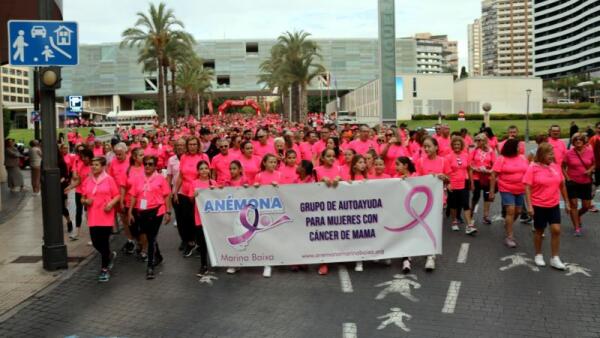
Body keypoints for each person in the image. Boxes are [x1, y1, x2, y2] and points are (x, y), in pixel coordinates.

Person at [523, 143, 570, 270]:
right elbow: (527, 187)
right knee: (539, 230)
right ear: (541, 155)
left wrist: (566, 202)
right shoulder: (533, 167)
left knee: (556, 230)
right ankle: (538, 255)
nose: (552, 156)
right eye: (549, 154)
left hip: (553, 204)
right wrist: (530, 206)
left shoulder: (556, 167)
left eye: (552, 153)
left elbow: (562, 185)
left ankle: (555, 257)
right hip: (538, 205)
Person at [128, 155, 171, 279]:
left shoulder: (160, 179)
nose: (147, 166)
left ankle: (150, 266)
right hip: (141, 211)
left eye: (150, 164)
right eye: (145, 163)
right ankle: (159, 256)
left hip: (156, 211)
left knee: (151, 238)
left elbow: (167, 195)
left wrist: (168, 212)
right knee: (147, 234)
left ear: (155, 166)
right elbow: (133, 195)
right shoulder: (138, 178)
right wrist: (130, 211)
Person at [80, 157, 120, 282]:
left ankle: (104, 269)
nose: (93, 167)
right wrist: (86, 201)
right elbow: (82, 197)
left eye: (96, 165)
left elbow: (117, 195)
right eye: (92, 165)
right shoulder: (87, 180)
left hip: (106, 215)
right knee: (95, 242)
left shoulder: (109, 179)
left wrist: (111, 204)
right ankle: (109, 255)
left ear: (103, 167)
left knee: (103, 242)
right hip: (92, 216)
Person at [414, 136, 450, 271]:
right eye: (424, 146)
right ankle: (427, 249)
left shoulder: (443, 161)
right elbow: (416, 179)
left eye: (429, 146)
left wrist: (444, 177)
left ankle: (431, 255)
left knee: (434, 226)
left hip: (439, 198)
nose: (426, 149)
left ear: (436, 147)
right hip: (424, 199)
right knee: (425, 226)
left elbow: (449, 179)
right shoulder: (420, 161)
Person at [173, 137, 210, 257]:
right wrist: (175, 192)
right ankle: (190, 242)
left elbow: (208, 174)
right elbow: (180, 176)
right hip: (184, 192)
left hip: (199, 193)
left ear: (198, 145)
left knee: (199, 220)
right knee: (186, 219)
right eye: (190, 144)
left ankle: (201, 243)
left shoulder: (204, 157)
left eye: (195, 144)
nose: (192, 146)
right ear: (187, 146)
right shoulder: (183, 157)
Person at [490, 139, 529, 248]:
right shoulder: (501, 159)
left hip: (520, 189)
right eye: (518, 147)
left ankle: (508, 223)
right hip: (506, 188)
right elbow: (493, 175)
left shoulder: (522, 158)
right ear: (512, 147)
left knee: (518, 211)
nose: (520, 149)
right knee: (510, 211)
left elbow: (528, 172)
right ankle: (510, 236)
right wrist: (492, 191)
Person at [253, 154, 282, 278]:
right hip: (263, 210)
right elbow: (253, 192)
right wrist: (254, 187)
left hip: (277, 210)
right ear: (264, 163)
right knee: (264, 235)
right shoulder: (258, 176)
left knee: (275, 236)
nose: (273, 164)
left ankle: (272, 260)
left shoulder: (279, 175)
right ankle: (267, 263)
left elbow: (287, 191)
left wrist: (278, 187)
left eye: (275, 162)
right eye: (270, 162)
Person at [563, 133, 595, 236]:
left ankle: (578, 216)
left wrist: (590, 170)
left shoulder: (590, 152)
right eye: (576, 140)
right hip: (572, 183)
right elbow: (562, 166)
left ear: (584, 141)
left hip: (586, 182)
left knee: (587, 206)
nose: (578, 141)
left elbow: (595, 164)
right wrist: (567, 178)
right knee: (574, 205)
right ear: (573, 142)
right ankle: (577, 228)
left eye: (580, 140)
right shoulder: (568, 153)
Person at [446, 136, 476, 235]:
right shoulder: (448, 157)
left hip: (464, 183)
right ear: (452, 146)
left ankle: (469, 226)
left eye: (458, 144)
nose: (456, 146)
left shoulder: (466, 155)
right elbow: (446, 172)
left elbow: (469, 169)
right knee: (454, 205)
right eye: (454, 144)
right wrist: (448, 183)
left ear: (461, 145)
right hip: (452, 184)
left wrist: (471, 183)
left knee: (466, 204)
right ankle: (454, 221)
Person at [64, 148, 94, 240]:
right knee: (78, 211)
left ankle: (92, 236)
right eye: (82, 157)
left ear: (89, 157)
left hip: (90, 193)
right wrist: (70, 187)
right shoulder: (81, 166)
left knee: (89, 213)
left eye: (85, 157)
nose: (83, 159)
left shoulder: (94, 166)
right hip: (80, 191)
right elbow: (80, 180)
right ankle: (76, 232)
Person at [470, 134, 496, 225]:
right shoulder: (474, 151)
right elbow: (469, 164)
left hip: (487, 177)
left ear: (485, 141)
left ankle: (485, 216)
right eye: (477, 141)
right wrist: (475, 168)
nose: (478, 142)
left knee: (487, 197)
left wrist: (488, 170)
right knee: (475, 197)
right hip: (476, 177)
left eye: (479, 140)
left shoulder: (491, 151)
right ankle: (470, 214)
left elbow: (495, 166)